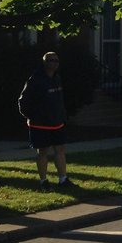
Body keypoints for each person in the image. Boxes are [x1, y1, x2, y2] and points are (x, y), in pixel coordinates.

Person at [18, 52, 73, 189]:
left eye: (56, 61)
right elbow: (23, 101)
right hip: (40, 125)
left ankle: (63, 179)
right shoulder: (35, 79)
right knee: (42, 152)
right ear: (45, 63)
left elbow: (60, 100)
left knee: (60, 149)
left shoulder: (57, 78)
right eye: (51, 60)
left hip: (57, 123)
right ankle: (43, 181)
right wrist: (32, 116)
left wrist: (62, 116)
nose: (54, 63)